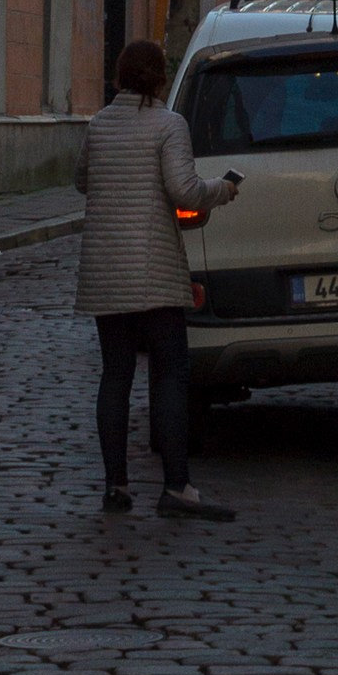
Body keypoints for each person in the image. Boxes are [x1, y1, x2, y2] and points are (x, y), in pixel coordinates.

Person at [74, 36, 239, 520]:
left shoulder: (99, 125)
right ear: (161, 78)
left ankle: (115, 486)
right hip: (153, 269)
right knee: (170, 375)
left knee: (115, 376)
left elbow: (82, 179)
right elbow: (183, 189)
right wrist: (224, 189)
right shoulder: (170, 125)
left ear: (119, 76)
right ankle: (176, 486)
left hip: (106, 272)